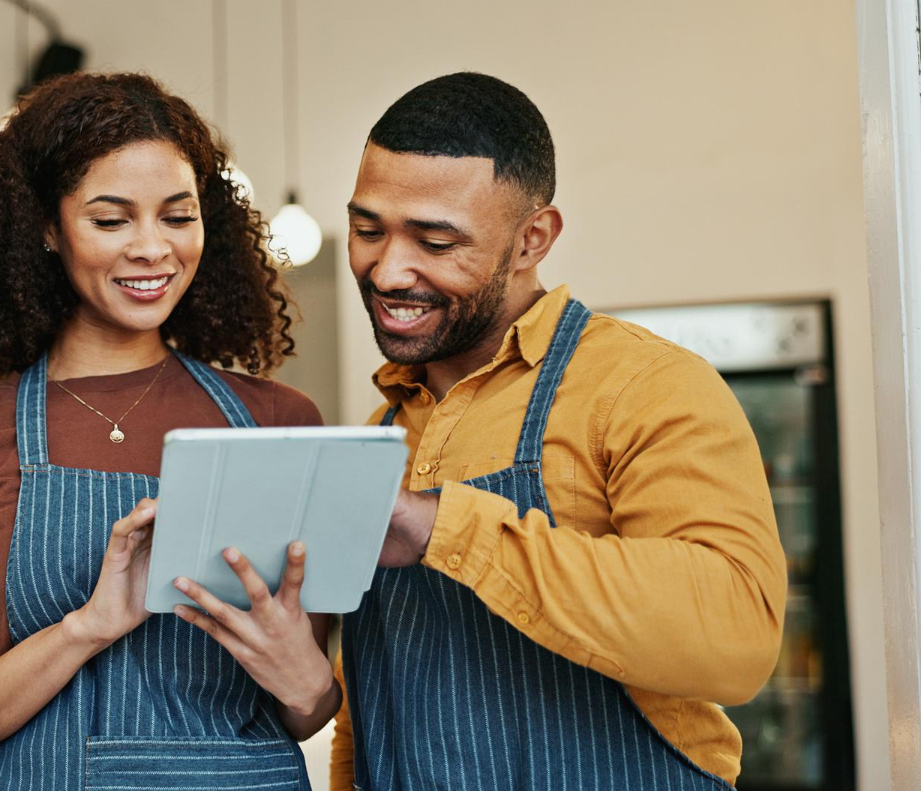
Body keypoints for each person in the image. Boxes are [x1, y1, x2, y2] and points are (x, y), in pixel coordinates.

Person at [0, 72, 340, 790]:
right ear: (48, 231)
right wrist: (87, 625)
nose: (152, 248)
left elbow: (308, 711)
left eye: (177, 217)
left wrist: (306, 677)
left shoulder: (279, 423)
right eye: (111, 219)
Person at [327, 73, 787, 789]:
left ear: (531, 240)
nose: (387, 269)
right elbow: (367, 707)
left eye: (436, 240)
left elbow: (736, 634)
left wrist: (444, 527)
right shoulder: (383, 430)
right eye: (366, 230)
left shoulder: (641, 386)